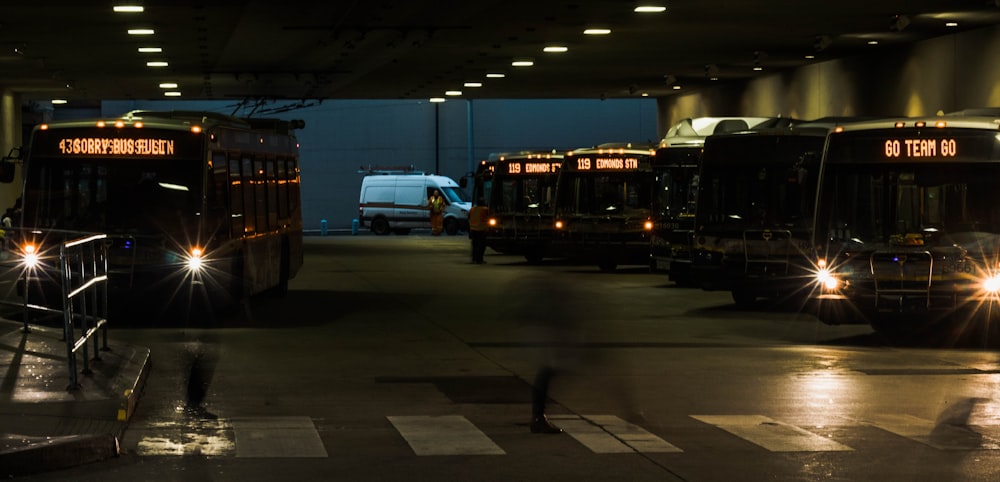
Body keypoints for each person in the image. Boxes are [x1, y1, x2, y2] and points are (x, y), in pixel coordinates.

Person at [468, 197, 490, 264]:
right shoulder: (485, 209)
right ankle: (479, 259)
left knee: (475, 245)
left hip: (473, 229)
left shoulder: (472, 209)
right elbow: (489, 217)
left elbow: (469, 218)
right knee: (481, 246)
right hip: (482, 229)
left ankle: (474, 259)